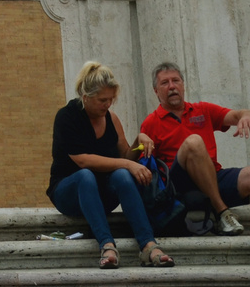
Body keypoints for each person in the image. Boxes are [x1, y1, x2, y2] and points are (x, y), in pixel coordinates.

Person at [136, 62, 250, 258]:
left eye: (176, 81)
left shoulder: (202, 110)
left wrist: (246, 116)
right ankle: (222, 212)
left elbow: (235, 114)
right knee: (194, 142)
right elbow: (142, 165)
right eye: (165, 83)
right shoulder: (151, 122)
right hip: (179, 186)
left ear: (183, 85)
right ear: (156, 91)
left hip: (212, 176)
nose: (172, 86)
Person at [47, 61, 170, 270]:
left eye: (111, 99)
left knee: (122, 175)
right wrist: (127, 165)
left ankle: (148, 245)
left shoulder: (111, 118)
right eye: (102, 100)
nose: (108, 104)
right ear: (86, 96)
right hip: (69, 193)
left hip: (101, 194)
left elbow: (126, 156)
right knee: (86, 175)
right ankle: (107, 245)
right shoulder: (67, 117)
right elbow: (83, 160)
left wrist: (140, 142)